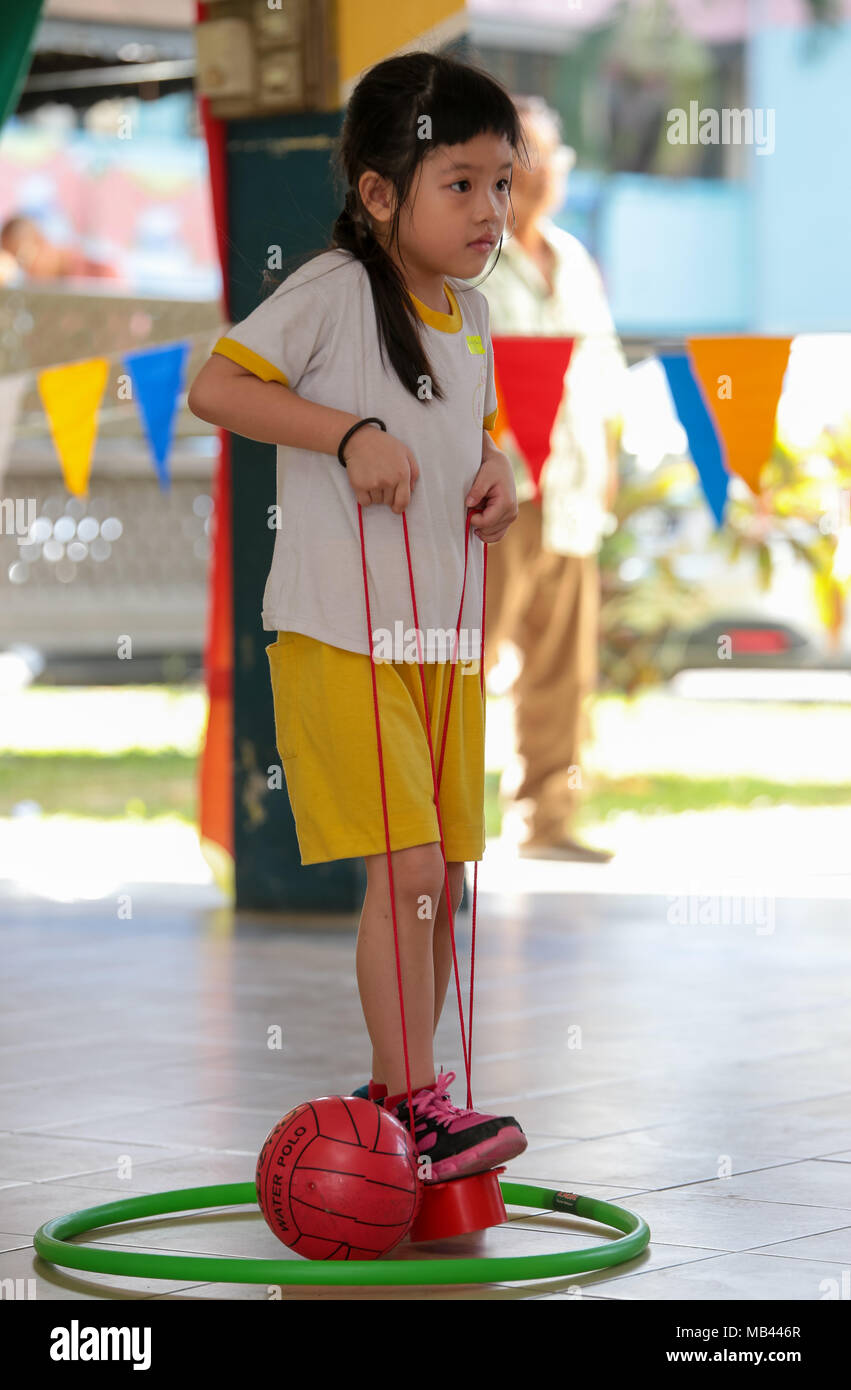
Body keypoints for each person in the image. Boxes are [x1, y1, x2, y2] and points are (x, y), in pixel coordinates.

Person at [188, 52, 533, 1184]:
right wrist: (342, 434)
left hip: (441, 642)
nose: (490, 210)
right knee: (411, 871)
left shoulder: (472, 314)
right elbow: (217, 387)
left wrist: (500, 471)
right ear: (381, 193)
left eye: (502, 183)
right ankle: (417, 1101)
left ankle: (401, 1094)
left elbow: (475, 435)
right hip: (343, 633)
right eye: (461, 184)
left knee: (445, 878)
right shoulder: (333, 289)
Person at [482, 96, 629, 862]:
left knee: (562, 670)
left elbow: (599, 374)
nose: (542, 176)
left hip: (569, 489)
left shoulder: (571, 257)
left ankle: (547, 819)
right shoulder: (468, 255)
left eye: (550, 159)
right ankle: (436, 829)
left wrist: (604, 464)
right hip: (498, 489)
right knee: (465, 659)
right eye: (526, 160)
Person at [0, 215, 120, 281]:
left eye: (23, 258)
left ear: (41, 242)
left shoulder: (99, 270)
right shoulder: (36, 290)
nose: (26, 271)